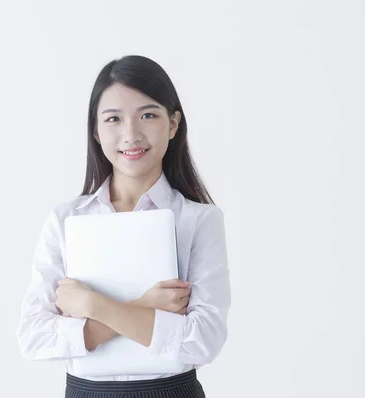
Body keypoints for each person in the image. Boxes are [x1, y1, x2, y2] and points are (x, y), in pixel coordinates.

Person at [16, 55, 231, 398]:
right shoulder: (66, 220)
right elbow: (34, 337)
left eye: (148, 115)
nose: (131, 134)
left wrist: (93, 305)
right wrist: (146, 305)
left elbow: (202, 342)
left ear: (173, 124)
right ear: (96, 132)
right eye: (113, 119)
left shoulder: (199, 220)